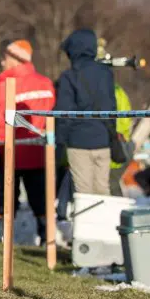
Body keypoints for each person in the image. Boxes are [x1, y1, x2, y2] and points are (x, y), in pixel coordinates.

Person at [0, 40, 55, 244]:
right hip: (39, 152)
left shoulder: (4, 85)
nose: (2, 62)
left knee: (7, 197)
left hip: (11, 151)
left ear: (17, 59)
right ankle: (47, 239)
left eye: (6, 57)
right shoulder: (46, 83)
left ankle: (3, 238)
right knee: (40, 197)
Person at [55, 29, 116, 196]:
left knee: (84, 192)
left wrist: (59, 141)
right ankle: (103, 222)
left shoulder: (69, 76)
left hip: (79, 141)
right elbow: (111, 106)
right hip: (103, 140)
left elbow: (64, 113)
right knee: (103, 189)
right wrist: (111, 135)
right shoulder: (106, 73)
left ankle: (87, 222)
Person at [109, 83, 132, 197]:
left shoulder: (115, 91)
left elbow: (123, 118)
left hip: (115, 142)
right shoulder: (119, 90)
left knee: (111, 182)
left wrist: (119, 134)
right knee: (112, 182)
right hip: (119, 140)